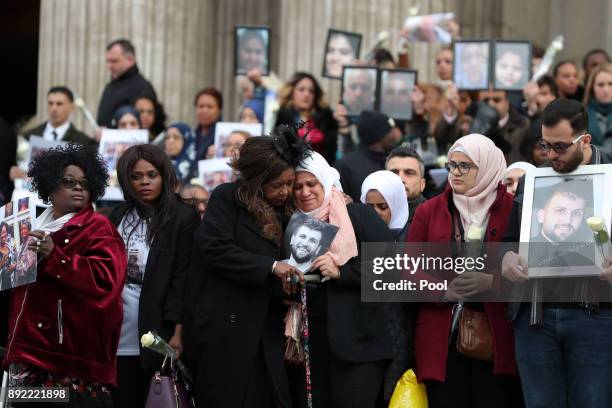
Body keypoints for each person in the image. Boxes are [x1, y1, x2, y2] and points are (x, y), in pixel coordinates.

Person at [182, 125, 309, 407]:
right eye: (278, 184)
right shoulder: (227, 197)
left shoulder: (287, 212)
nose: (285, 191)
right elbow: (215, 248)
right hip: (225, 330)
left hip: (266, 329)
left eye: (290, 183)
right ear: (257, 179)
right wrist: (270, 267)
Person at [501, 98, 612, 408]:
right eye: (544, 145)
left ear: (585, 140)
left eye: (560, 147)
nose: (550, 155)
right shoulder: (534, 181)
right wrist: (508, 259)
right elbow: (509, 240)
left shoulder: (610, 177)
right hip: (536, 317)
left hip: (596, 316)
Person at [3, 143, 126, 406]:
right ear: (50, 187)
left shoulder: (99, 228)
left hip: (69, 365)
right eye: (69, 181)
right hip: (27, 355)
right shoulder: (29, 224)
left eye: (84, 182)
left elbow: (107, 284)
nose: (79, 187)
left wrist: (56, 256)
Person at [407, 133, 520, 408]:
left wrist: (491, 282)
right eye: (451, 165)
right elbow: (408, 268)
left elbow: (527, 270)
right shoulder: (430, 210)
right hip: (442, 337)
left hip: (495, 339)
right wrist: (443, 290)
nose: (455, 173)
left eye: (465, 166)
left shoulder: (512, 210)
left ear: (488, 167)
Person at [289, 151, 394, 408]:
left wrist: (342, 272)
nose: (304, 192)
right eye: (297, 186)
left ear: (325, 182)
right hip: (311, 349)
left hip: (359, 349)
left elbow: (393, 269)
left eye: (311, 184)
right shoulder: (292, 224)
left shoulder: (357, 215)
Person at [109, 144, 199, 407]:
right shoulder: (119, 215)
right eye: (136, 177)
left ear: (164, 176)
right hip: (118, 334)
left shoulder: (183, 217)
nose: (144, 182)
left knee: (159, 398)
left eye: (151, 174)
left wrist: (178, 332)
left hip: (160, 332)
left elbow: (183, 279)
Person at [334, 110, 401, 201]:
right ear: (379, 136)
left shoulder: (393, 161)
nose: (394, 134)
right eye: (390, 131)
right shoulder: (346, 166)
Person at [275, 72, 339, 163]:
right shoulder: (283, 115)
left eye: (311, 91)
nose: (306, 94)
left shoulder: (326, 117)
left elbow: (331, 151)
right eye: (301, 89)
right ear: (291, 92)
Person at [97, 39, 157, 128]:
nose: (109, 66)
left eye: (114, 61)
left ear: (130, 60)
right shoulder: (111, 85)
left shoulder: (142, 87)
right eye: (108, 61)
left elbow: (145, 123)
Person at [22, 86, 94, 145]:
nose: (54, 108)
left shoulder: (82, 141)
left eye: (59, 104)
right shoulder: (30, 136)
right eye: (50, 103)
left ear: (71, 107)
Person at [478, 88, 530, 164]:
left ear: (507, 102)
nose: (491, 104)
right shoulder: (473, 126)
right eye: (486, 100)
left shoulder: (523, 125)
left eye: (496, 100)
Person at [360, 170, 409, 240]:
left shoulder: (417, 236)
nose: (375, 213)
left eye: (382, 206)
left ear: (397, 206)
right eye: (369, 207)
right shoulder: (357, 236)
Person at [385, 145, 426, 223]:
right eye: (394, 173)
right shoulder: (372, 216)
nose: (400, 179)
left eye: (409, 173)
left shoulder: (436, 216)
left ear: (422, 184)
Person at [583, 63, 612, 149]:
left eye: (611, 84)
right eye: (600, 85)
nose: (606, 90)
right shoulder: (581, 115)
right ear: (592, 88)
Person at [193, 87, 223, 160]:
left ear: (219, 110)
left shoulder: (223, 136)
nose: (204, 110)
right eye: (201, 106)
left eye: (209, 107)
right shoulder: (192, 135)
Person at [0, 221, 16, 290]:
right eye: (2, 232)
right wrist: (1, 263)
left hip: (15, 280)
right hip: (4, 284)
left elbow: (19, 258)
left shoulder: (11, 244)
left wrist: (15, 265)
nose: (4, 235)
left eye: (5, 232)